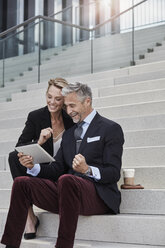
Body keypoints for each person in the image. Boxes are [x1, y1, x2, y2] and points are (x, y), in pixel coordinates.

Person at [1, 82, 124, 248]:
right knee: (22, 183)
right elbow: (56, 168)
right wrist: (32, 167)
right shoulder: (69, 134)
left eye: (72, 105)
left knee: (66, 180)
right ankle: (10, 245)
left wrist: (87, 170)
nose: (68, 111)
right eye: (66, 106)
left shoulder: (110, 128)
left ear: (87, 101)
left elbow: (114, 173)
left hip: (98, 195)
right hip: (68, 193)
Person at [8, 77, 74, 240]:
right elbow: (20, 146)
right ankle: (30, 217)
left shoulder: (71, 119)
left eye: (58, 99)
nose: (52, 102)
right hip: (41, 167)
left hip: (62, 169)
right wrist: (39, 141)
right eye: (49, 97)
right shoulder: (36, 116)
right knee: (13, 158)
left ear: (64, 99)